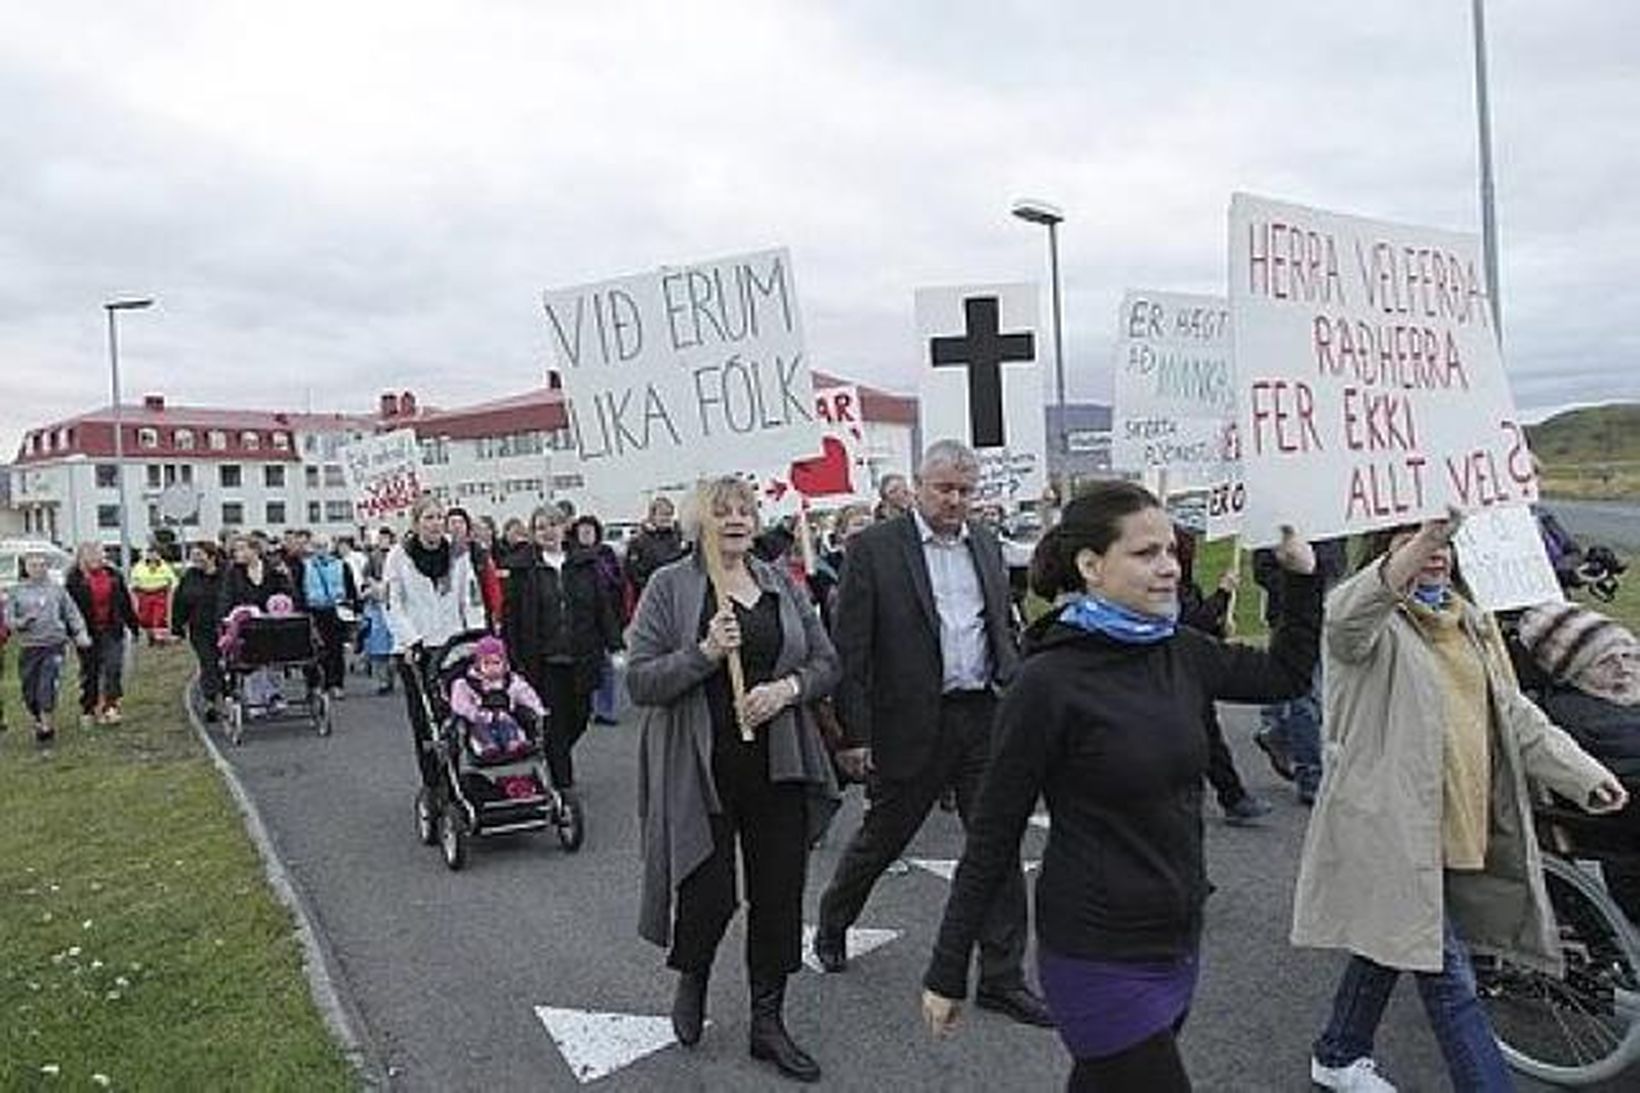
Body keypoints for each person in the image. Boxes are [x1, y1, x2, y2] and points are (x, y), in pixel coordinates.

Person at [919, 484, 1320, 1089]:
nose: (1169, 568)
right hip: (1095, 951)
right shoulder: (1048, 682)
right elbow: (993, 835)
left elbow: (1285, 675)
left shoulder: (1179, 650)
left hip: (1176, 940)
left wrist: (1302, 579)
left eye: (1172, 551)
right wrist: (948, 968)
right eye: (1146, 553)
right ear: (1091, 566)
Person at [1293, 512, 1629, 1092]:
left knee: (1393, 941)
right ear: (1383, 551)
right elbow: (1350, 616)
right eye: (1416, 541)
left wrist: (1584, 775)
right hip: (1394, 832)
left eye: (1445, 543)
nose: (1436, 553)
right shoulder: (1363, 624)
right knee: (1452, 980)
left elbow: (1516, 715)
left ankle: (1338, 1051)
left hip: (1458, 821)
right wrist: (1426, 533)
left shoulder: (1467, 621)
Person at [813, 440, 1050, 1026]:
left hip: (982, 717)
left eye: (966, 490)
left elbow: (999, 627)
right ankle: (836, 918)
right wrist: (853, 736)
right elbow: (852, 651)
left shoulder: (988, 545)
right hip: (910, 724)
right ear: (919, 486)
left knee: (996, 846)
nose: (955, 500)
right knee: (882, 836)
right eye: (944, 488)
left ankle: (1002, 975)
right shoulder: (874, 549)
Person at [626, 476, 840, 1082]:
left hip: (778, 765)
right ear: (701, 521)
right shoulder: (670, 586)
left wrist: (785, 690)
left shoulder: (779, 582)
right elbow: (640, 680)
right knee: (709, 894)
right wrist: (703, 655)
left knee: (778, 896)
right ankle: (692, 976)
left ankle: (768, 1022)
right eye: (723, 512)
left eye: (745, 509)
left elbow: (826, 662)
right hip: (702, 767)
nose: (737, 520)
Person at [1515, 602, 1640, 920]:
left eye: (1630, 656)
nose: (1624, 669)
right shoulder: (1586, 716)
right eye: (1606, 662)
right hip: (1618, 836)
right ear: (1574, 672)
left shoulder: (1620, 702)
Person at [502, 506, 621, 799]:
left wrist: (615, 644)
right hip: (544, 659)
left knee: (581, 715)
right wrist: (512, 659)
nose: (548, 532)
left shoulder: (584, 563)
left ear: (563, 528)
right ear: (533, 532)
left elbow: (602, 607)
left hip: (582, 654)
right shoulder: (522, 569)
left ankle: (553, 756)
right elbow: (512, 618)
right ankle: (562, 785)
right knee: (554, 720)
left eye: (553, 525)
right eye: (541, 527)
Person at [384, 497, 486, 793]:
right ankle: (433, 783)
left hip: (453, 645)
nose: (435, 523)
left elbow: (470, 597)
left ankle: (454, 774)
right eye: (428, 518)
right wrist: (410, 639)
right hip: (417, 648)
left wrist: (476, 635)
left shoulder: (458, 554)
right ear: (416, 524)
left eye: (439, 517)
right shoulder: (398, 557)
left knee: (454, 716)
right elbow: (394, 604)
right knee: (425, 720)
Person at [1175, 527, 1270, 825]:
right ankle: (1231, 797)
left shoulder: (1187, 588)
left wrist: (1220, 627)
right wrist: (1223, 594)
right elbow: (1188, 624)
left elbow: (1202, 628)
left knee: (1211, 741)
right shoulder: (1164, 589)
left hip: (1191, 673)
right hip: (1174, 674)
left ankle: (1234, 797)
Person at [1251, 536, 1348, 803]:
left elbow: (1337, 565)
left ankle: (1277, 731)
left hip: (1328, 614)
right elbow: (1263, 570)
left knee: (1309, 692)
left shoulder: (1331, 524)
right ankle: (1311, 774)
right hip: (1291, 619)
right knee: (1305, 694)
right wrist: (1300, 590)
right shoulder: (1279, 525)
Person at [6, 548, 92, 743]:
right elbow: (9, 620)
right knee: (30, 690)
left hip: (54, 644)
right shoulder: (17, 591)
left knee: (47, 685)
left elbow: (72, 613)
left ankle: (47, 726)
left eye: (42, 565)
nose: (39, 569)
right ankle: (37, 717)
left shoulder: (57, 590)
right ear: (26, 568)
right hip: (29, 646)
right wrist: (23, 622)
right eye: (34, 565)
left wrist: (80, 633)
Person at [65, 543, 140, 726]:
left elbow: (124, 602)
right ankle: (88, 708)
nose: (96, 560)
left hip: (111, 628)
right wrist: (71, 633)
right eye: (91, 556)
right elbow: (68, 609)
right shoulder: (74, 580)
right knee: (91, 671)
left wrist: (133, 625)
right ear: (82, 558)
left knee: (113, 667)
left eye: (99, 555)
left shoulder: (113, 575)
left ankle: (111, 706)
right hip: (87, 631)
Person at [569, 514, 627, 725]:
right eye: (582, 531)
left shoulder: (606, 554)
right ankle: (590, 706)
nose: (586, 534)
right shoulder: (573, 557)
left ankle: (605, 709)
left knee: (607, 666)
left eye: (590, 531)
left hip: (609, 614)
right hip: (585, 620)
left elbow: (620, 583)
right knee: (590, 667)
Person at [449, 634, 544, 760]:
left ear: (504, 663)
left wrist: (538, 708)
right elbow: (459, 703)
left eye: (496, 663)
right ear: (478, 664)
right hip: (480, 719)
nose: (492, 668)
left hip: (505, 716)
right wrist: (472, 713)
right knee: (480, 731)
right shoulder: (466, 684)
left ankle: (515, 744)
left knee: (510, 725)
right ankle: (487, 747)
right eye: (486, 663)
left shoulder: (511, 681)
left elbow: (526, 694)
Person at [171, 542, 227, 721]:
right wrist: (177, 627)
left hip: (225, 627)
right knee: (208, 662)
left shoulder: (226, 574)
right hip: (200, 628)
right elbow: (179, 603)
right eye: (193, 555)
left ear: (211, 556)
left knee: (225, 663)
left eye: (199, 555)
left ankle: (227, 695)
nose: (195, 559)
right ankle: (211, 701)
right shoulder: (190, 577)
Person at [301, 533, 360, 698]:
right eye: (317, 546)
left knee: (336, 649)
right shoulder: (305, 566)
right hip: (313, 611)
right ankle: (314, 685)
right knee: (312, 650)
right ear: (312, 548)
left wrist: (355, 609)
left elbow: (351, 589)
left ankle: (335, 684)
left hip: (336, 611)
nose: (321, 550)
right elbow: (299, 590)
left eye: (324, 546)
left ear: (330, 547)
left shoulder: (341, 565)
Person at [625, 495, 688, 604]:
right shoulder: (639, 541)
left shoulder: (678, 537)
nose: (667, 518)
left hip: (677, 592)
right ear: (653, 516)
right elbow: (632, 572)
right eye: (663, 514)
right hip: (652, 594)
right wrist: (650, 587)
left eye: (669, 514)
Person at [447, 506, 503, 628]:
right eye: (453, 523)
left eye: (461, 522)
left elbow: (491, 583)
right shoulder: (443, 553)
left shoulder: (478, 552)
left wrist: (497, 611)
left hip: (478, 612)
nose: (457, 526)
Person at [129, 545, 178, 645]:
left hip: (160, 594)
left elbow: (173, 581)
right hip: (144, 594)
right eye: (150, 553)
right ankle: (149, 636)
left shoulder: (165, 567)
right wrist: (134, 588)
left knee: (158, 616)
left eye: (155, 553)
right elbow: (133, 581)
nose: (152, 556)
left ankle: (159, 638)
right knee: (145, 617)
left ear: (159, 555)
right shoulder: (139, 566)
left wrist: (170, 589)